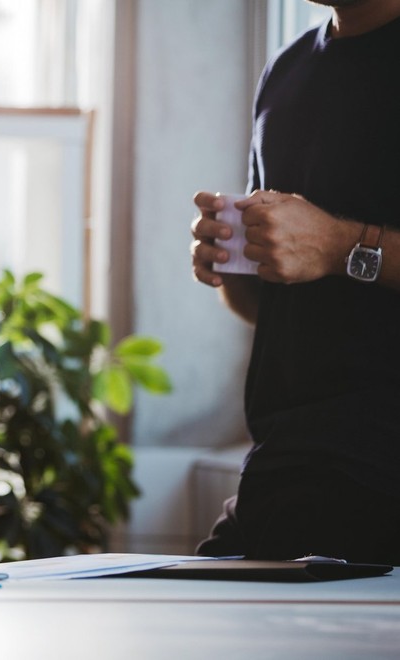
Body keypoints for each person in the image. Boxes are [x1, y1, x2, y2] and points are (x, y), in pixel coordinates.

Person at [190, 0, 400, 565]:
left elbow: (329, 250)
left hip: (379, 476)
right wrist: (233, 258)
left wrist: (339, 245)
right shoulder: (287, 70)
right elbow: (277, 307)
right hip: (281, 464)